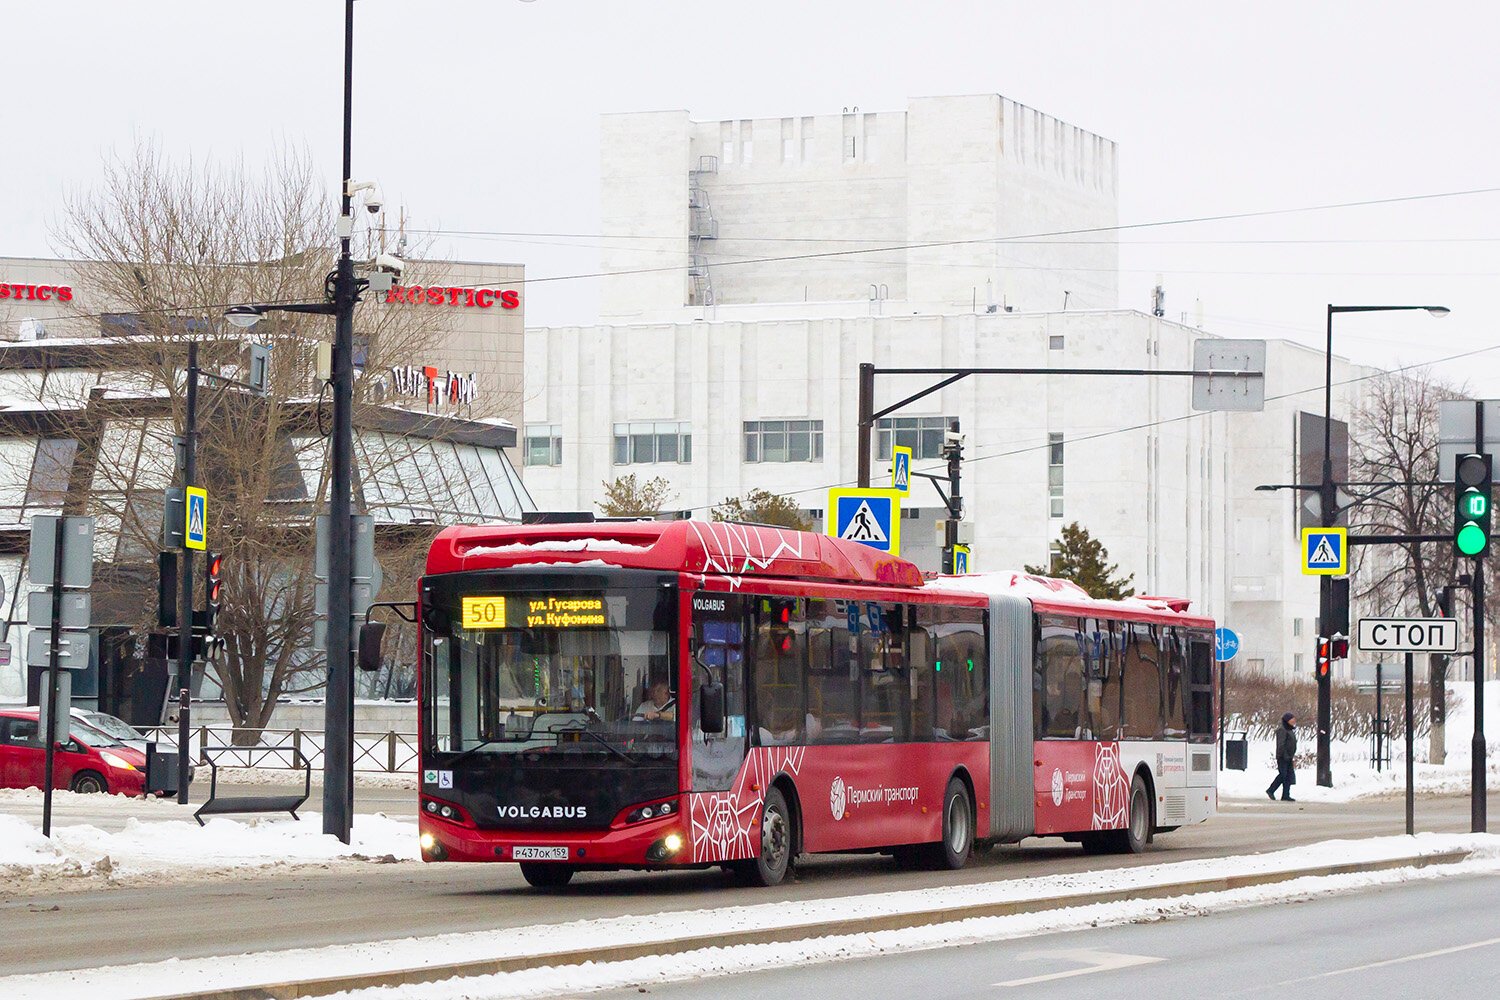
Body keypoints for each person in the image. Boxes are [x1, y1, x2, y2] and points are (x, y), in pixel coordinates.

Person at [1266, 712, 1297, 802]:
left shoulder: (1289, 729)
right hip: (1283, 757)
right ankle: (1271, 790)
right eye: (1292, 719)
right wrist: (1284, 755)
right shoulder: (1282, 730)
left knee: (1288, 776)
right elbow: (1281, 744)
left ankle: (1286, 795)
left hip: (1289, 756)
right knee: (1283, 775)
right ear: (1287, 720)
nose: (1294, 721)